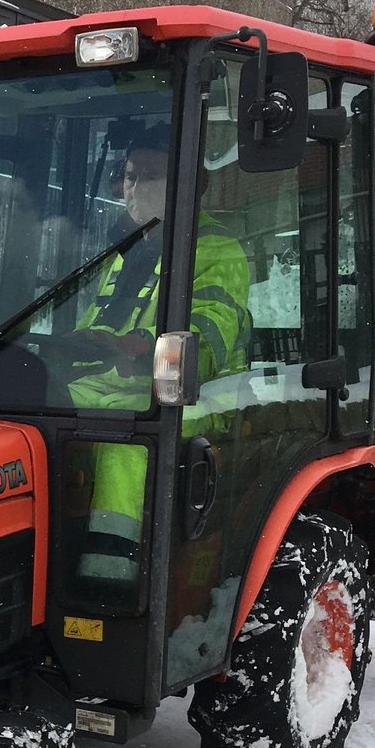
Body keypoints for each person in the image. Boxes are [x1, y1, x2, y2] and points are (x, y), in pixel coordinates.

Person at [64, 125, 251, 584]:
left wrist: (136, 347)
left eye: (150, 175)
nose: (134, 187)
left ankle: (110, 581)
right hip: (118, 390)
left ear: (190, 181)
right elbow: (95, 331)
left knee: (127, 446)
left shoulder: (215, 251)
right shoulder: (127, 252)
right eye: (129, 175)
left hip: (198, 400)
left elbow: (202, 347)